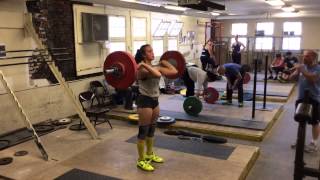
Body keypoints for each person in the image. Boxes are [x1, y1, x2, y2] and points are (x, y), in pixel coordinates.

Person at [135, 44, 178, 171]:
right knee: (143, 131)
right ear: (144, 55)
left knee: (152, 130)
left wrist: (164, 61)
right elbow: (158, 75)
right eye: (149, 51)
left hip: (155, 101)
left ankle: (149, 154)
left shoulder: (154, 67)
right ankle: (141, 160)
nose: (152, 53)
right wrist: (143, 65)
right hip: (144, 101)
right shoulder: (141, 70)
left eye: (153, 50)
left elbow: (174, 71)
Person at [290, 50, 320, 153]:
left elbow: (313, 79)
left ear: (314, 58)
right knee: (301, 120)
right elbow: (291, 78)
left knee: (314, 121)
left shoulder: (318, 68)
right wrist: (296, 72)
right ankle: (300, 141)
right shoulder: (302, 67)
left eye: (307, 56)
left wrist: (301, 70)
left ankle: (314, 143)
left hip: (313, 98)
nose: (304, 58)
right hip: (301, 98)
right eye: (304, 56)